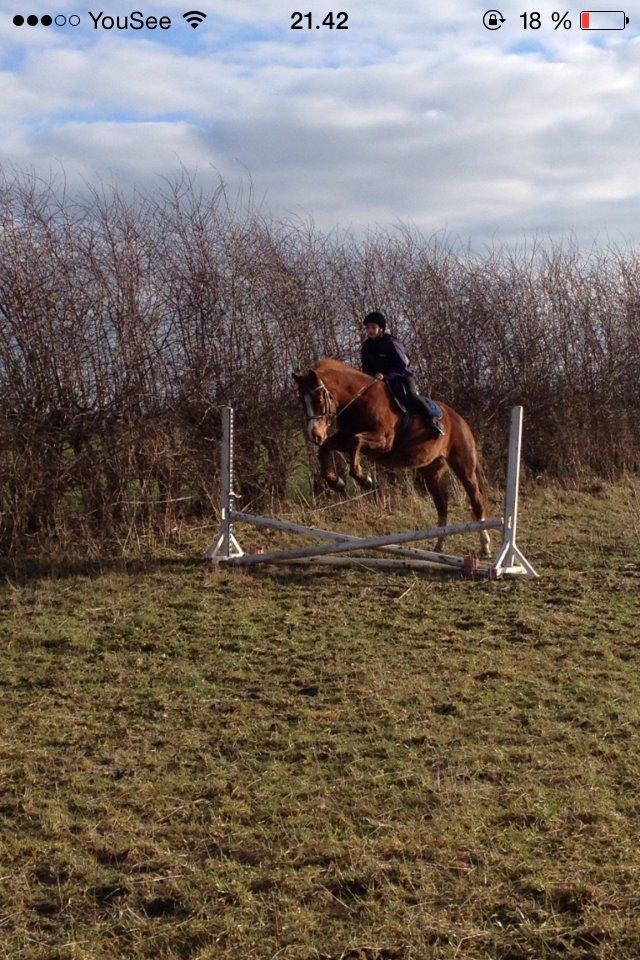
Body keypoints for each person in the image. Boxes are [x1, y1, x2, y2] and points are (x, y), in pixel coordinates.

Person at [360, 311, 444, 437]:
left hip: (402, 376)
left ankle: (432, 421)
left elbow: (403, 367)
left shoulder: (390, 343)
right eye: (368, 328)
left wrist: (385, 375)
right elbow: (366, 369)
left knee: (411, 395)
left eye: (373, 327)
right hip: (380, 381)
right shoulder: (365, 347)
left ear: (380, 328)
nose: (370, 330)